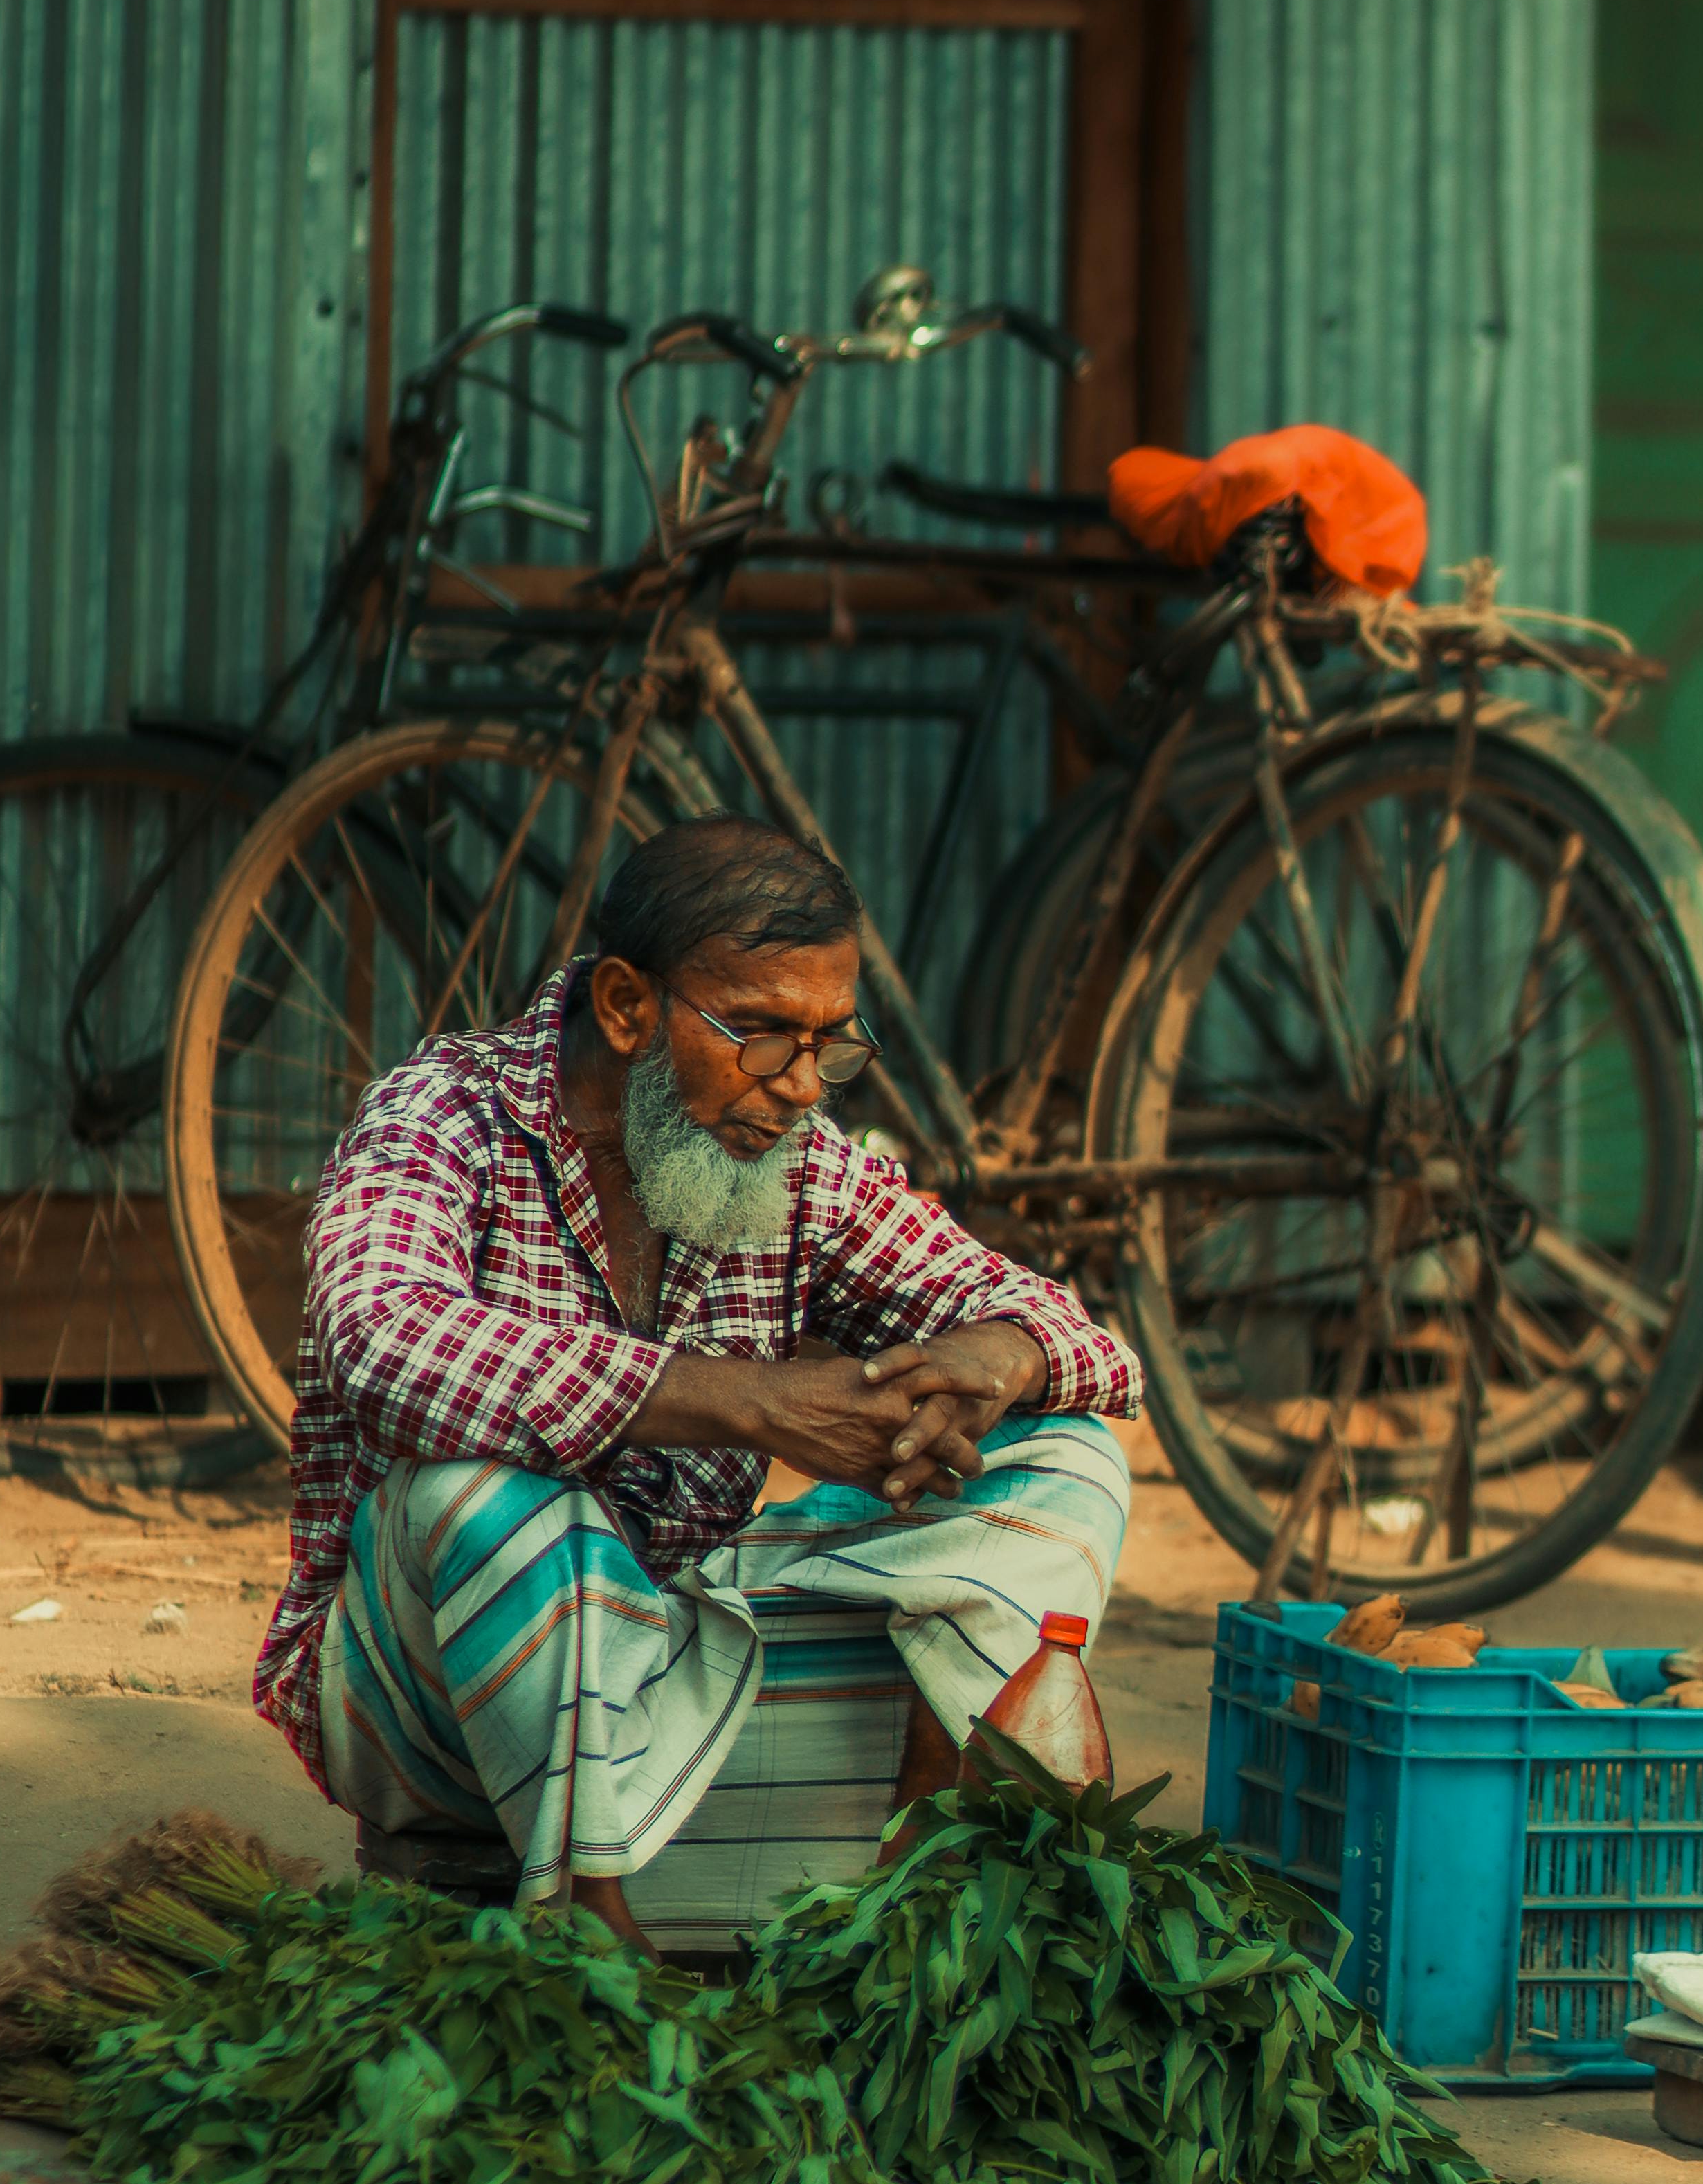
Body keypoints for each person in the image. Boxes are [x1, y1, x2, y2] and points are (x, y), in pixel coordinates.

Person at [251, 815, 1139, 1951]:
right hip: (432, 1707)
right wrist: (753, 1400)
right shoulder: (446, 1113)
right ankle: (592, 1922)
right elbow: (385, 1343)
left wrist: (993, 1357)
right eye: (763, 1036)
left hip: (672, 1654)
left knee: (1063, 1455)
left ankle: (931, 1825)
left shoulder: (792, 1156)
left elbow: (1092, 1346)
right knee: (478, 1490)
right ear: (627, 1008)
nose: (805, 1086)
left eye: (832, 1043)